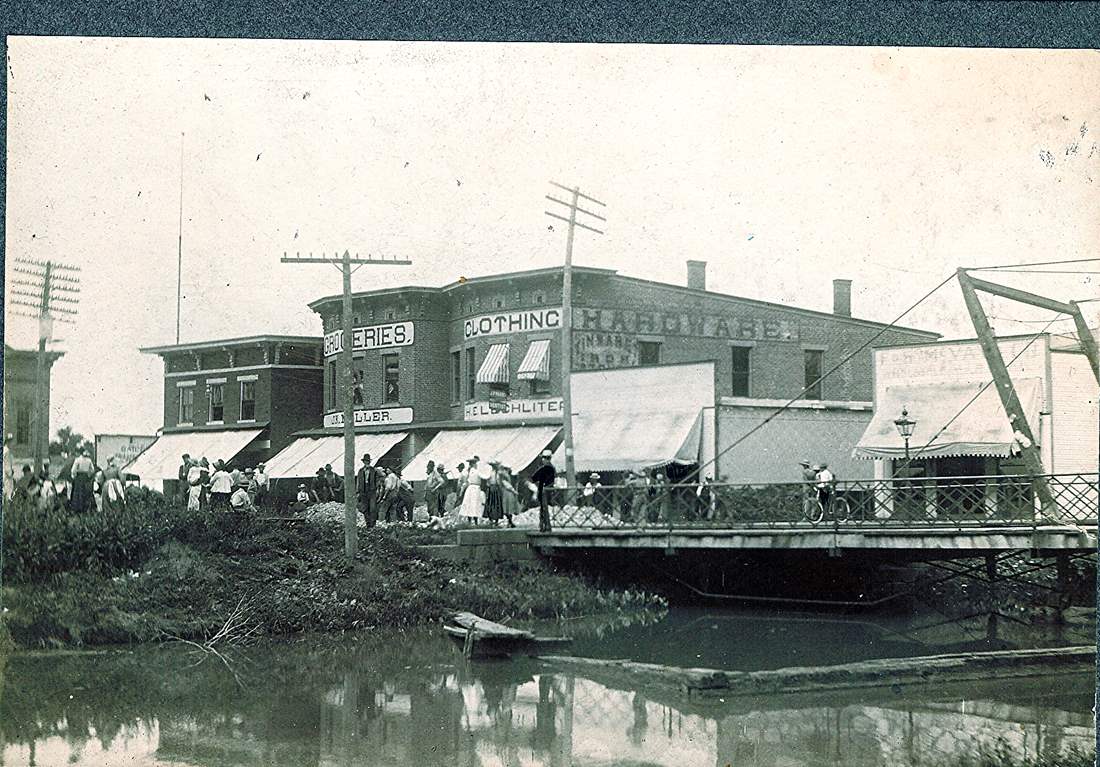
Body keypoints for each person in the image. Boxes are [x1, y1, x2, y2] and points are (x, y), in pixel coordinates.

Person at [530, 450, 557, 533]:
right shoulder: (547, 468)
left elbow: (549, 481)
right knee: (543, 508)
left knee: (544, 508)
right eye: (543, 458)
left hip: (545, 490)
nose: (543, 460)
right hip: (545, 489)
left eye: (544, 458)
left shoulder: (549, 468)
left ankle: (546, 526)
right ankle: (544, 525)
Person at [70, 447, 96, 513]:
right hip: (86, 477)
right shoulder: (89, 460)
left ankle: (77, 508)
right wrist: (88, 475)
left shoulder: (77, 460)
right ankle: (86, 508)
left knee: (78, 493)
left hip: (79, 478)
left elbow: (73, 470)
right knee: (86, 493)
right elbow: (92, 470)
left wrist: (74, 476)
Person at [356, 453, 379, 528]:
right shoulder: (360, 471)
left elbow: (378, 480)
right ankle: (368, 524)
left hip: (372, 491)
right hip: (363, 492)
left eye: (368, 461)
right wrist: (358, 491)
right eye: (365, 461)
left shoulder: (374, 470)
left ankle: (373, 525)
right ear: (363, 462)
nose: (367, 462)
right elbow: (358, 481)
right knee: (365, 509)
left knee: (372, 508)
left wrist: (376, 488)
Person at [459, 458, 485, 524]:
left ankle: (470, 521)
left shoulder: (469, 472)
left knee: (469, 504)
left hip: (470, 488)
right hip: (475, 489)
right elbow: (484, 476)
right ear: (474, 464)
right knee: (474, 504)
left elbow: (465, 481)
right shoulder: (476, 471)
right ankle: (475, 521)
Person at [484, 461, 504, 525]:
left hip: (493, 488)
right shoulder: (494, 473)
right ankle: (493, 519)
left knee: (493, 503)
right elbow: (496, 481)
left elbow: (489, 482)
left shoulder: (494, 473)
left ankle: (494, 519)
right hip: (494, 488)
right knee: (493, 503)